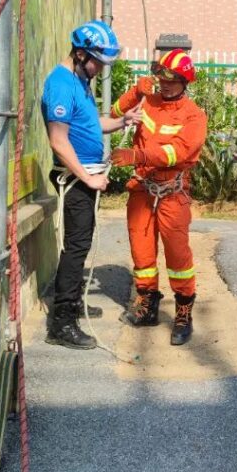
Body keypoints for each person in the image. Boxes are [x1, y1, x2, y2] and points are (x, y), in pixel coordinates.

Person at [42, 20, 139, 350]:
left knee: (79, 245)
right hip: (76, 182)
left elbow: (90, 122)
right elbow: (58, 141)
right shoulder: (61, 85)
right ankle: (62, 322)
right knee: (76, 248)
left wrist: (122, 121)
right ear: (81, 54)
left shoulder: (79, 81)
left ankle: (73, 304)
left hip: (86, 180)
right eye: (97, 61)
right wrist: (88, 178)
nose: (101, 68)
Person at [110, 49, 208, 346]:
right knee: (141, 251)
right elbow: (115, 114)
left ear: (184, 81)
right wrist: (133, 93)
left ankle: (183, 310)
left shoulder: (194, 115)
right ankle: (147, 302)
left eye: (172, 80)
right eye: (161, 78)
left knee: (178, 256)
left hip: (172, 193)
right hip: (142, 189)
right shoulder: (147, 101)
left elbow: (178, 152)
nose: (164, 84)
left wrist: (137, 154)